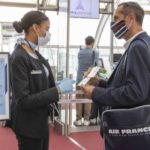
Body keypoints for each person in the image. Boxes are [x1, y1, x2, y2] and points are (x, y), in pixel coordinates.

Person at [81, 1, 150, 136]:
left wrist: (96, 92)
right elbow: (128, 84)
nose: (113, 24)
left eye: (116, 18)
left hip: (129, 130)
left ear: (131, 19)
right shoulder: (141, 43)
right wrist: (99, 83)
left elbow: (135, 92)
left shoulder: (137, 47)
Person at [10, 10, 74, 150]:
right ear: (35, 28)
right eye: (47, 29)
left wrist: (54, 84)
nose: (48, 34)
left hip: (40, 121)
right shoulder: (19, 57)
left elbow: (38, 81)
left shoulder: (35, 53)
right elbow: (23, 100)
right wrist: (57, 90)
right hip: (28, 126)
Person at [74, 36, 99, 126]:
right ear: (92, 43)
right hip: (89, 80)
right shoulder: (95, 52)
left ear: (85, 42)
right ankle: (86, 120)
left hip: (79, 79)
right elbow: (96, 66)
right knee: (88, 99)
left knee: (79, 99)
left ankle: (78, 119)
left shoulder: (80, 52)